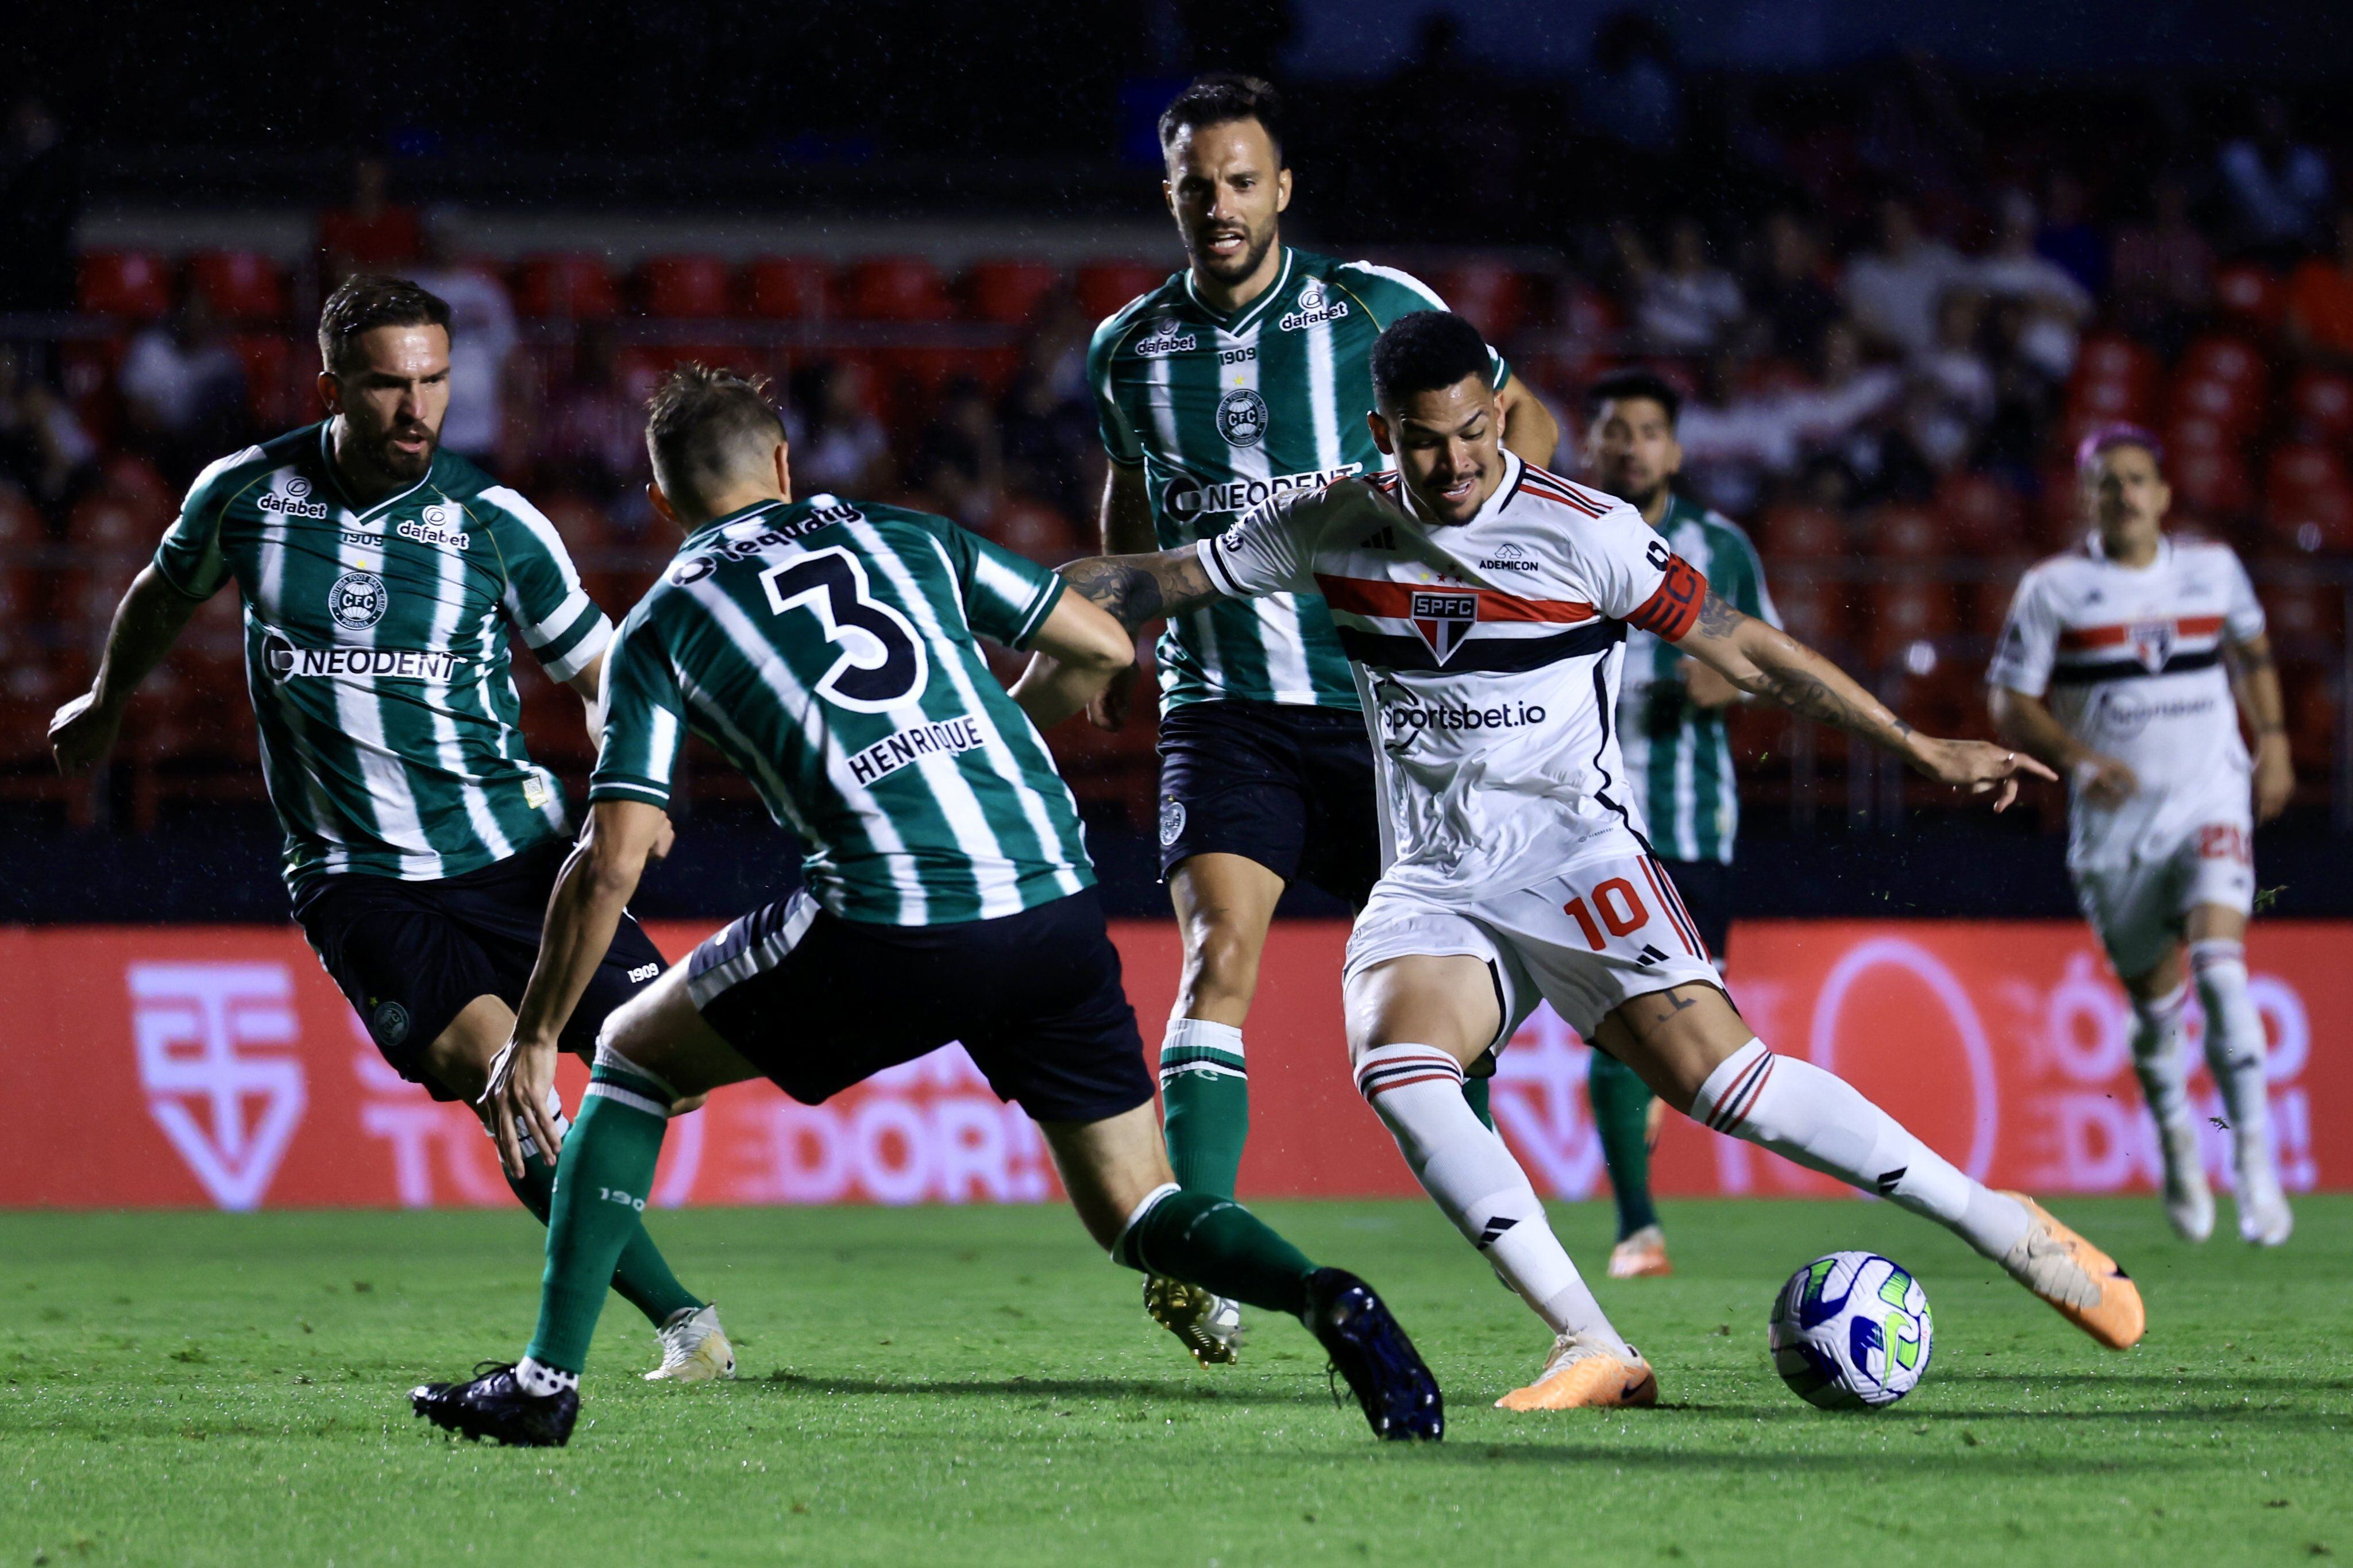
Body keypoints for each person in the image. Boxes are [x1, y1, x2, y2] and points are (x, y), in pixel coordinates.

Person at [1043, 310, 2143, 1410]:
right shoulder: (1334, 520)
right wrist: (1010, 601)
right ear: (1384, 432)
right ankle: (1593, 1343)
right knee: (1401, 1069)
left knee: (1727, 1087)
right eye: (1427, 440)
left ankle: (2009, 1228)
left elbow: (1744, 648)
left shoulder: (1587, 531)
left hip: (1573, 857)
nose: (1459, 459)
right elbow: (1157, 580)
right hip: (1433, 877)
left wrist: (1913, 745)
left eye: (1477, 429)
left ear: (1504, 409)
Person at [410, 366, 1443, 1447]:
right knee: (1138, 1206)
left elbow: (615, 852)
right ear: (782, 463)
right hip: (1051, 894)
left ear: (665, 504)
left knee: (626, 1055)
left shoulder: (668, 617)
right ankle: (1329, 1294)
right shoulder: (908, 533)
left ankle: (541, 1384)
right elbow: (1101, 644)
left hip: (893, 913)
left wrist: (534, 1034)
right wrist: (987, 736)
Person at [49, 276, 731, 1381]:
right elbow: (160, 595)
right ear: (331, 387)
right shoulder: (250, 497)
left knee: (674, 1068)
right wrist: (109, 698)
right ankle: (684, 1327)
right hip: (356, 878)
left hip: (516, 859)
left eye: (434, 381)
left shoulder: (494, 521)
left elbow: (608, 669)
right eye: (386, 385)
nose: (417, 408)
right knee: (492, 1071)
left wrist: (632, 778)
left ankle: (657, 1294)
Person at [1085, 72, 1559, 1368]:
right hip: (1223, 699)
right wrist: (1126, 632)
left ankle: (1513, 1243)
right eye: (1197, 185)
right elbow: (1130, 489)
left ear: (1281, 190)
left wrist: (1520, 563)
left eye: (1241, 182)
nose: (1219, 205)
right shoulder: (1128, 348)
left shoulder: (1379, 308)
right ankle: (1200, 1250)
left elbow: (1514, 426)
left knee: (1448, 996)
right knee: (1214, 958)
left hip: (1379, 710)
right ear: (1170, 193)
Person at [1989, 426, 2295, 1247]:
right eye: (2106, 482)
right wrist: (2077, 758)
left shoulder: (2213, 570)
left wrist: (2275, 742)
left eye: (2136, 479)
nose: (2123, 494)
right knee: (2157, 1014)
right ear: (2084, 497)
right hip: (2117, 834)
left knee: (2225, 978)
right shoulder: (2053, 588)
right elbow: (2009, 702)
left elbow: (2254, 651)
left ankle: (2258, 1171)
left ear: (2163, 494)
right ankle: (2176, 1140)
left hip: (2210, 803)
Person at [1583, 369, 1779, 1280]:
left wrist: (1731, 678)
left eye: (1648, 430)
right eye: (1614, 428)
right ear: (1590, 442)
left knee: (1684, 1044)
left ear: (1677, 450)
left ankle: (1635, 1205)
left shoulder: (1719, 546)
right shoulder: (1552, 526)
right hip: (1582, 826)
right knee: (1621, 1020)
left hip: (1693, 830)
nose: (1629, 444)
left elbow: (1762, 656)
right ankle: (1637, 1227)